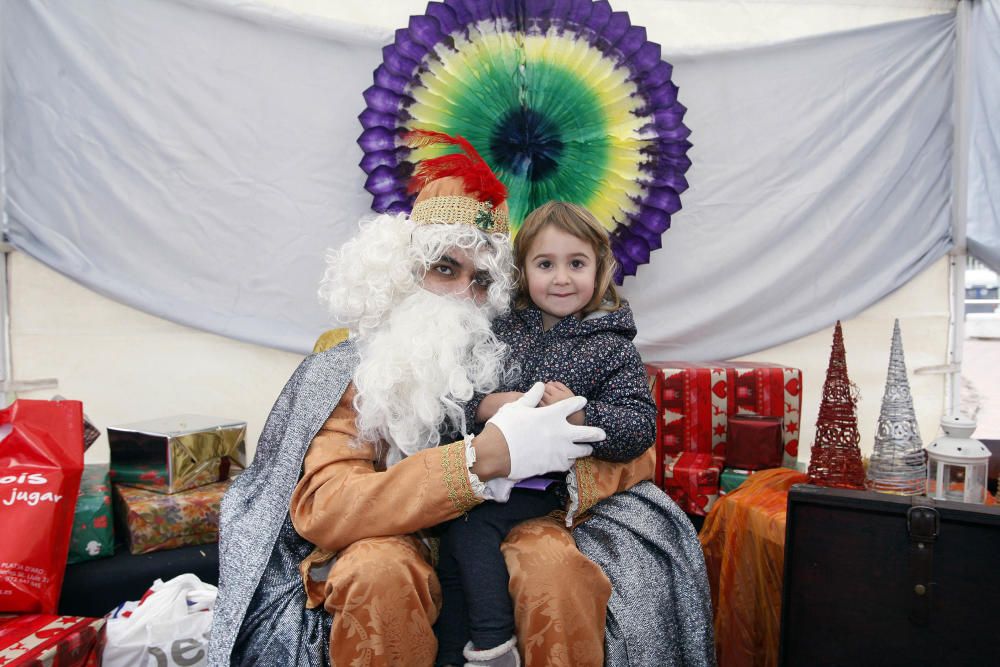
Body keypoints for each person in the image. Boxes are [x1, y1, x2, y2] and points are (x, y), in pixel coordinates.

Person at [208, 132, 717, 667]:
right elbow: (326, 507)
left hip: (508, 520)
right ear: (404, 272)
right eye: (445, 269)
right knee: (378, 573)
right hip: (394, 538)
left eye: (481, 282)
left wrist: (560, 447)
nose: (462, 295)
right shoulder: (350, 370)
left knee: (552, 568)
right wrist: (480, 461)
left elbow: (635, 447)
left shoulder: (512, 349)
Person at [434, 201, 656, 667]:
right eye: (545, 264)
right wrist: (485, 405)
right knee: (451, 548)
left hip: (552, 484)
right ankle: (452, 654)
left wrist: (581, 417)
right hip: (490, 467)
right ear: (522, 271)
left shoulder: (612, 346)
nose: (561, 278)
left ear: (600, 269)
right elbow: (456, 398)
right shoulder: (499, 331)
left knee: (473, 529)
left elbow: (639, 425)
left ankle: (493, 646)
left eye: (576, 264)